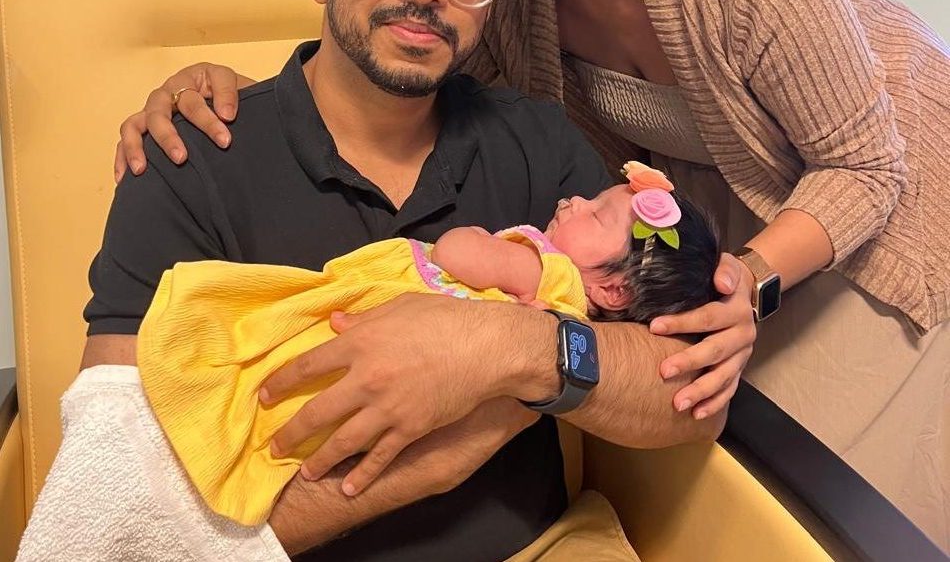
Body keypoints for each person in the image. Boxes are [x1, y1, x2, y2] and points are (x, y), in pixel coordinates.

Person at [125, 0, 950, 549]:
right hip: (703, 234)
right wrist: (218, 84)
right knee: (735, 433)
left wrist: (745, 278)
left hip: (882, 215)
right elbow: (382, 45)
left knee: (843, 495)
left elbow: (867, 165)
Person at [19, 0, 726, 562]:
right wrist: (431, 458)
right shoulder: (190, 159)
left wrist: (503, 352)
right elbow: (113, 502)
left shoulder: (538, 147)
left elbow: (682, 394)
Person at [135, 167, 719, 527]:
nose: (572, 201)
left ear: (613, 289)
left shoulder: (549, 270)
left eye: (594, 213)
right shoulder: (569, 299)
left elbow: (457, 254)